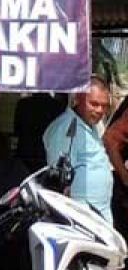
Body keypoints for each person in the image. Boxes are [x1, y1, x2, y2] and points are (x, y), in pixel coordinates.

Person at [45, 78, 113, 222]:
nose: (100, 110)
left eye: (104, 106)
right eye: (94, 104)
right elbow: (58, 181)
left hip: (96, 216)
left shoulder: (91, 126)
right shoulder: (67, 128)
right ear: (78, 98)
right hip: (81, 218)